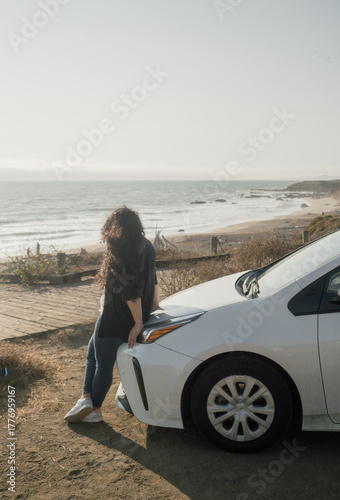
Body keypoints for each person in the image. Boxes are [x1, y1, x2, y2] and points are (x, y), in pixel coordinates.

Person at [64, 207, 159, 423]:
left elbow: (131, 290)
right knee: (92, 351)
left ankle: (95, 409)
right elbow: (153, 280)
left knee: (103, 363)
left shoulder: (122, 246)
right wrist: (152, 308)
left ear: (114, 227)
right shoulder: (147, 246)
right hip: (130, 313)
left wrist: (138, 323)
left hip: (116, 316)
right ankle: (85, 398)